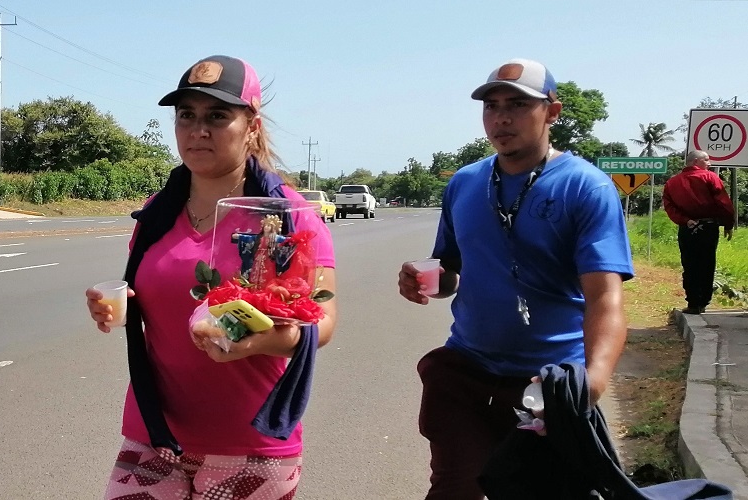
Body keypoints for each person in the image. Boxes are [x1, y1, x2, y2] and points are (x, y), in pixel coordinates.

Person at [85, 54, 337, 500]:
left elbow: (322, 322)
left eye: (218, 116)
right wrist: (115, 306)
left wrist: (256, 342)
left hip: (251, 446)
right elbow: (157, 297)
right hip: (153, 434)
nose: (198, 130)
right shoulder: (156, 214)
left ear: (252, 126)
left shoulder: (288, 218)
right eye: (187, 116)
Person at [398, 58, 634, 500]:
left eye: (518, 105)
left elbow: (605, 299)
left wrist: (593, 381)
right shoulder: (464, 183)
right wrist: (425, 280)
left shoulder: (586, 188)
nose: (501, 117)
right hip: (466, 371)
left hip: (544, 384)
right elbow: (450, 271)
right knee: (456, 487)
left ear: (552, 112)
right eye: (492, 106)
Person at [662, 149, 734, 314]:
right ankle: (703, 301)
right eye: (706, 160)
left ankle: (693, 302)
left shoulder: (672, 183)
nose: (710, 163)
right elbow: (724, 203)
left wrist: (685, 220)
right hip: (708, 227)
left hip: (687, 228)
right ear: (695, 162)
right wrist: (728, 224)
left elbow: (669, 207)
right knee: (707, 263)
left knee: (689, 264)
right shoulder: (710, 177)